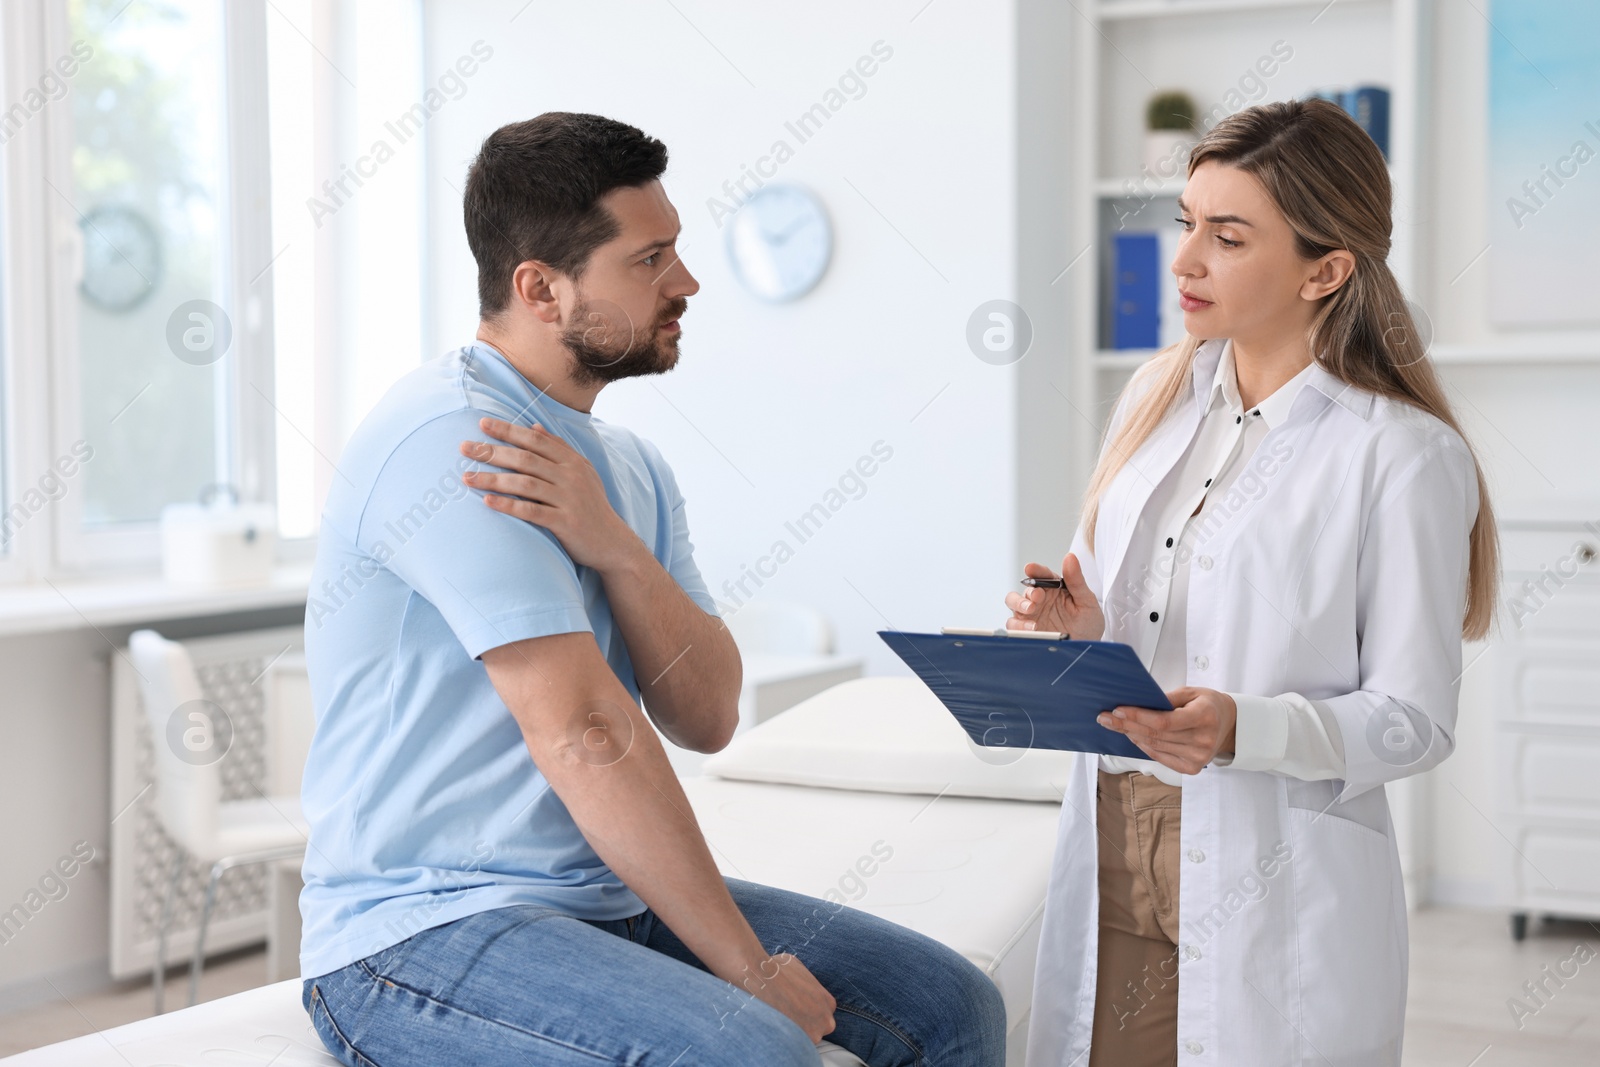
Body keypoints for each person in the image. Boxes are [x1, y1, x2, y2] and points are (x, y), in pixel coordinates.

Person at [298, 112, 1006, 1067]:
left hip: (597, 902)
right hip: (421, 930)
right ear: (540, 289)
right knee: (752, 1052)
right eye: (651, 259)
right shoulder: (457, 445)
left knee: (951, 1004)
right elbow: (583, 730)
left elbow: (708, 713)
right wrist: (748, 970)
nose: (687, 282)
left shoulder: (628, 466)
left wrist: (618, 549)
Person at [1008, 98, 1498, 1067]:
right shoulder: (1151, 399)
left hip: (1267, 859)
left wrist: (1245, 725)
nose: (1184, 259)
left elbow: (1413, 719)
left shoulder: (1399, 456)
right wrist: (1082, 623)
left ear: (1325, 269)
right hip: (1115, 825)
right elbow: (1138, 637)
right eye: (1186, 222)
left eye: (1226, 237)